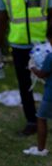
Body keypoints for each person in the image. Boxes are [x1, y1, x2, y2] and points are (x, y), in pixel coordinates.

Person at [0, 0, 52, 136]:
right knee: (25, 85)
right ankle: (32, 121)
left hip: (44, 45)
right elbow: (1, 21)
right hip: (19, 47)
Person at [23, 25, 52, 156]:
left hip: (50, 95)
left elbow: (42, 74)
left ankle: (40, 149)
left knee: (41, 118)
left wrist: (32, 67)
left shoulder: (50, 57)